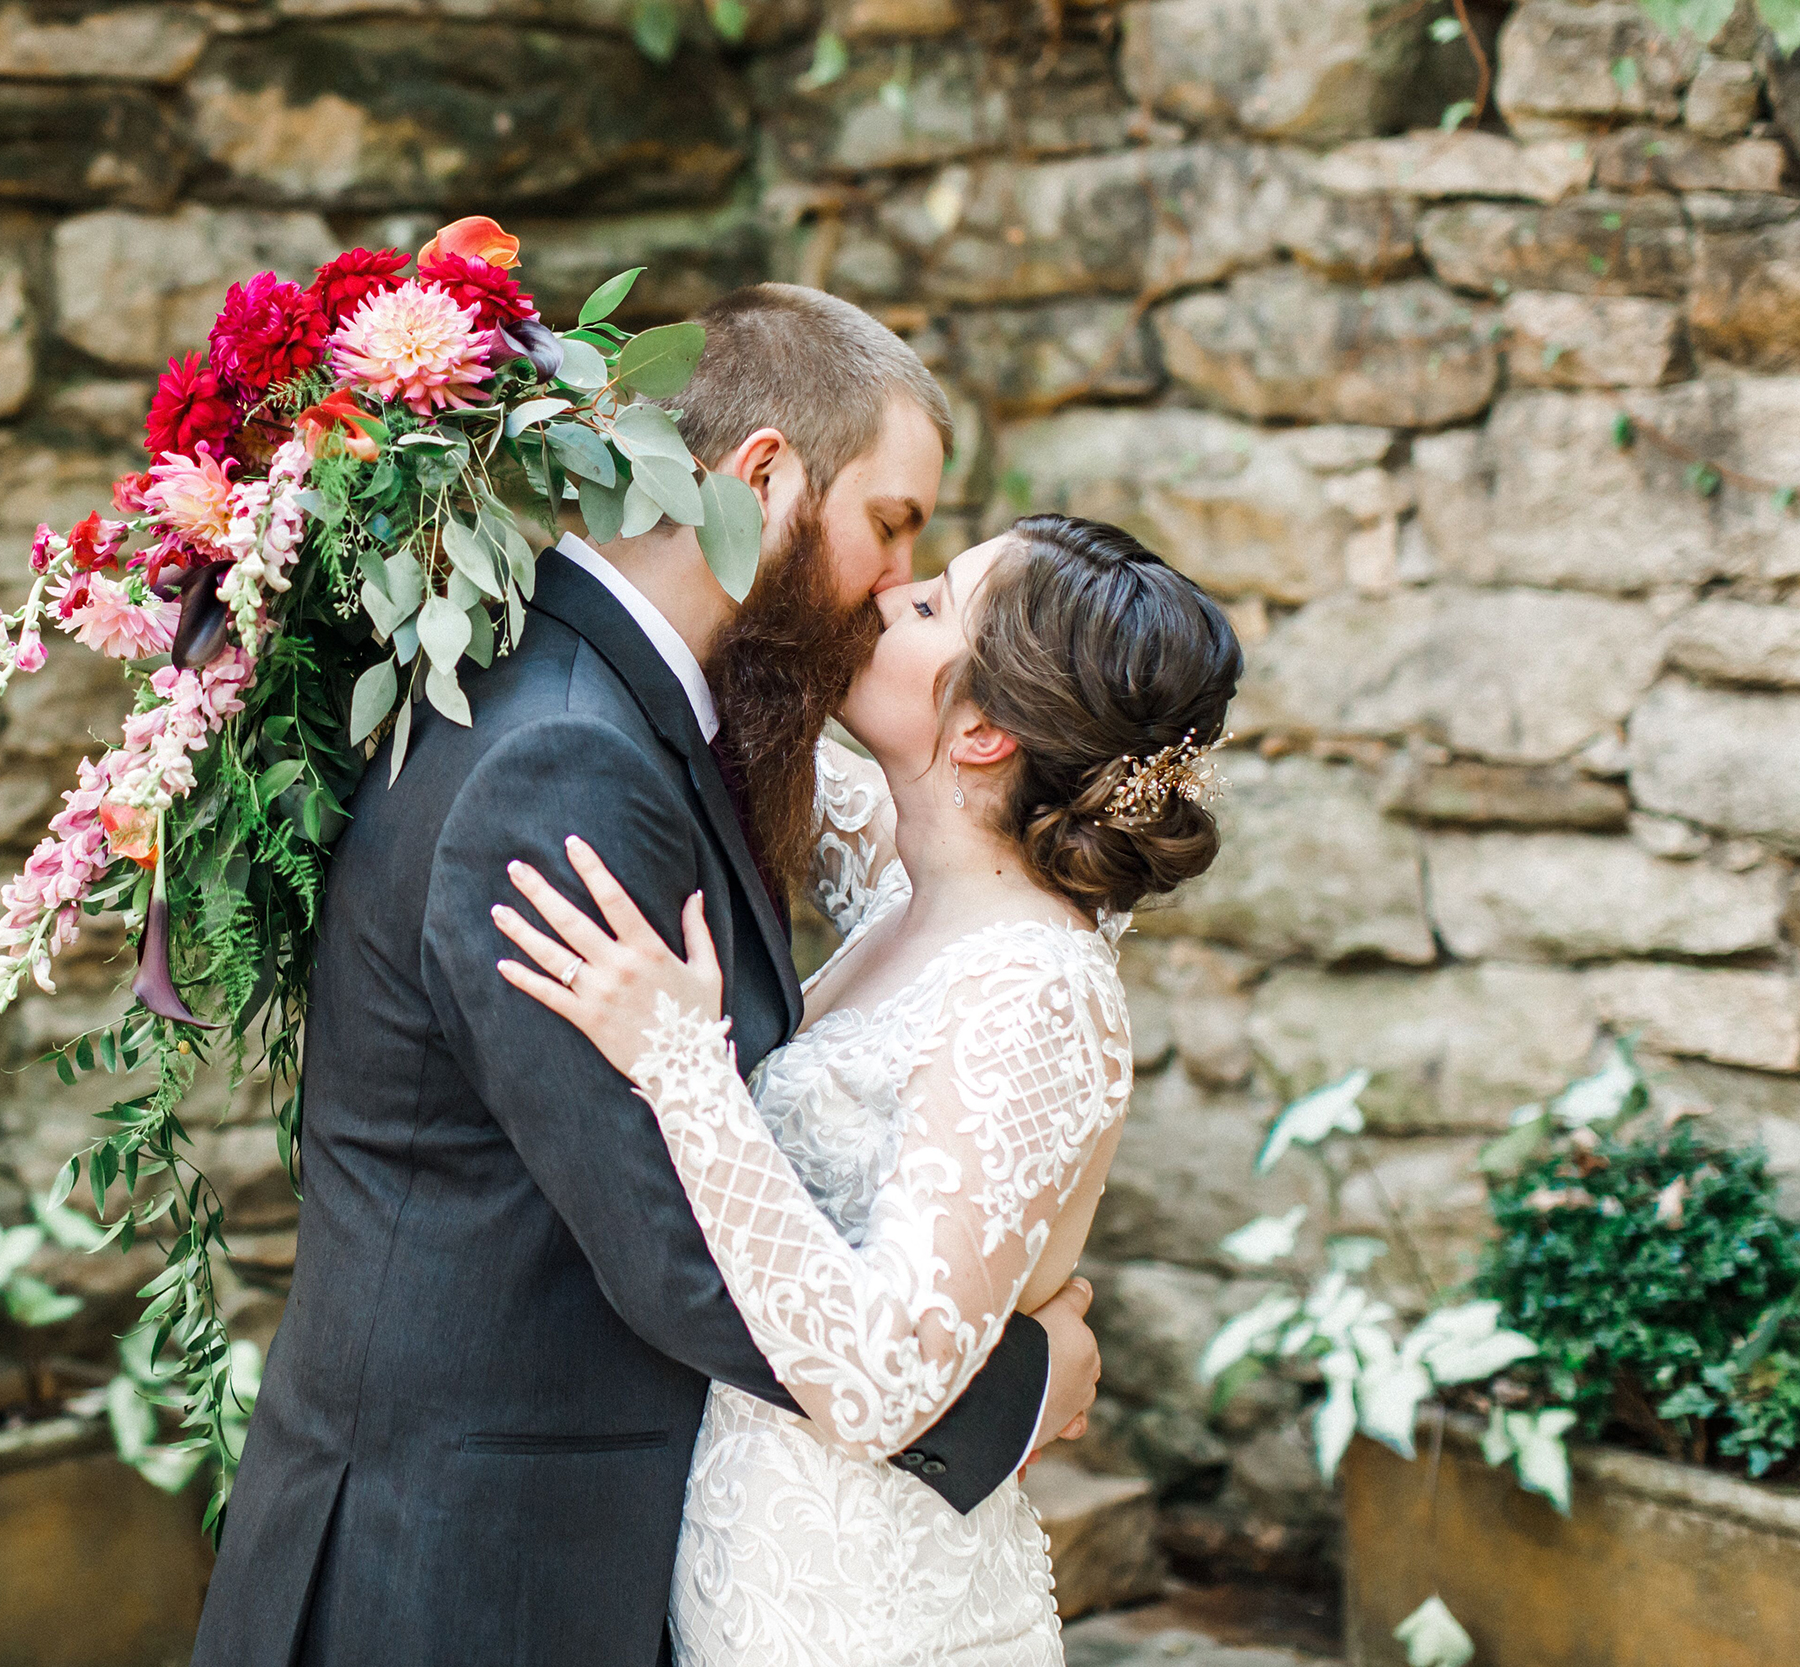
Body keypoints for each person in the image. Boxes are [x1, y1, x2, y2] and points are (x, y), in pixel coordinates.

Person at [191, 286, 1105, 1667]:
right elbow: (670, 1233)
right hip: (462, 1569)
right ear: (765, 477)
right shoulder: (564, 759)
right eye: (892, 524)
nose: (890, 580)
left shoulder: (611, 702)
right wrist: (1009, 1394)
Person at [491, 514, 1244, 1665]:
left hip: (875, 1623)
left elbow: (883, 1381)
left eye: (933, 604)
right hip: (760, 1591)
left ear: (984, 730)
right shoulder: (919, 883)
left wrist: (686, 1068)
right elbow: (744, 708)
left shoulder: (1035, 991)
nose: (888, 596)